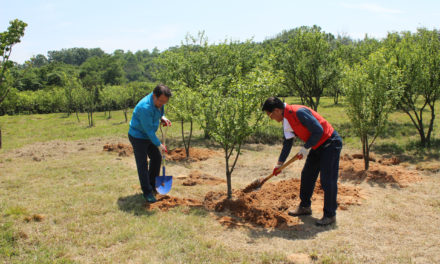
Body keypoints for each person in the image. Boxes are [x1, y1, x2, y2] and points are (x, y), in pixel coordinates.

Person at [262, 97, 342, 226]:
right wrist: (279, 164)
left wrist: (305, 148)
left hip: (330, 144)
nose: (271, 118)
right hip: (316, 145)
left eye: (270, 115)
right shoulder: (286, 120)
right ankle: (305, 207)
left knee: (327, 180)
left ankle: (330, 215)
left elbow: (318, 130)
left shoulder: (298, 112)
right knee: (307, 176)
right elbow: (288, 143)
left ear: (277, 110)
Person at [128, 84, 172, 203]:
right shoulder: (145, 107)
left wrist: (163, 117)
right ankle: (147, 192)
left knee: (156, 158)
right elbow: (148, 131)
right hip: (138, 136)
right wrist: (159, 145)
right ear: (154, 96)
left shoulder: (159, 103)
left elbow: (159, 111)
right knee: (142, 164)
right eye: (161, 101)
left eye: (165, 102)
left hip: (148, 135)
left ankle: (152, 185)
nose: (162, 104)